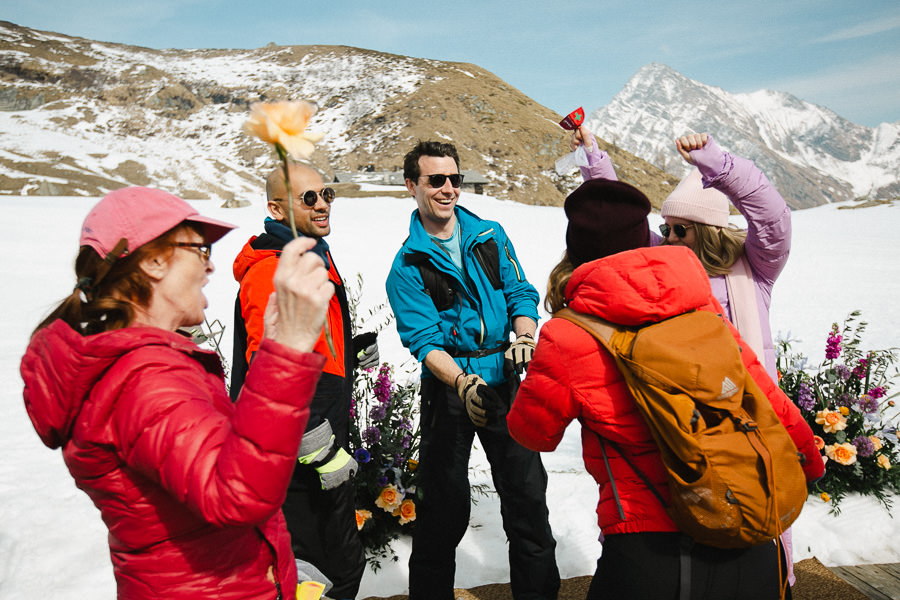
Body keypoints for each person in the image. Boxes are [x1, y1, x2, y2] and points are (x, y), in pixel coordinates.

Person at [507, 178, 824, 599]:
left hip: (646, 550)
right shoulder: (701, 307)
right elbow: (767, 399)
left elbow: (535, 434)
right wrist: (810, 464)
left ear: (576, 249)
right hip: (742, 529)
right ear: (646, 239)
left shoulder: (567, 333)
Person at [20, 186, 334, 599]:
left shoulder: (131, 366)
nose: (210, 267)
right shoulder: (141, 377)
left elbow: (213, 457)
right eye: (199, 250)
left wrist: (271, 353)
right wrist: (289, 352)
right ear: (151, 260)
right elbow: (237, 493)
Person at [385, 140, 560, 600]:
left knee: (527, 503)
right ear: (411, 186)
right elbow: (424, 343)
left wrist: (524, 337)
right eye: (435, 180)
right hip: (450, 390)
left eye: (454, 179)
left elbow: (521, 293)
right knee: (443, 512)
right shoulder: (407, 266)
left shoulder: (489, 234)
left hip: (507, 376)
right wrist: (463, 383)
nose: (448, 189)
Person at [231, 161, 375, 599]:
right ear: (276, 208)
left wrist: (348, 353)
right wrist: (319, 446)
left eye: (326, 193)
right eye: (308, 197)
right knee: (309, 578)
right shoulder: (269, 271)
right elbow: (267, 368)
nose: (322, 204)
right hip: (291, 457)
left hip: (318, 436)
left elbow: (304, 344)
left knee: (337, 570)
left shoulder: (310, 256)